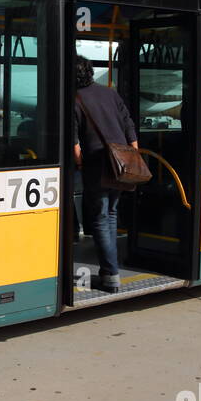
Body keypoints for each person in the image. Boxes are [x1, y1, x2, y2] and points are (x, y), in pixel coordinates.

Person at [73, 56, 138, 293]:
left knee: (100, 219)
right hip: (121, 163)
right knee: (110, 214)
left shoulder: (75, 99)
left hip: (97, 166)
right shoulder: (110, 93)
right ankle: (108, 271)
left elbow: (75, 145)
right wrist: (132, 153)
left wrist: (80, 165)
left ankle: (111, 275)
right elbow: (128, 123)